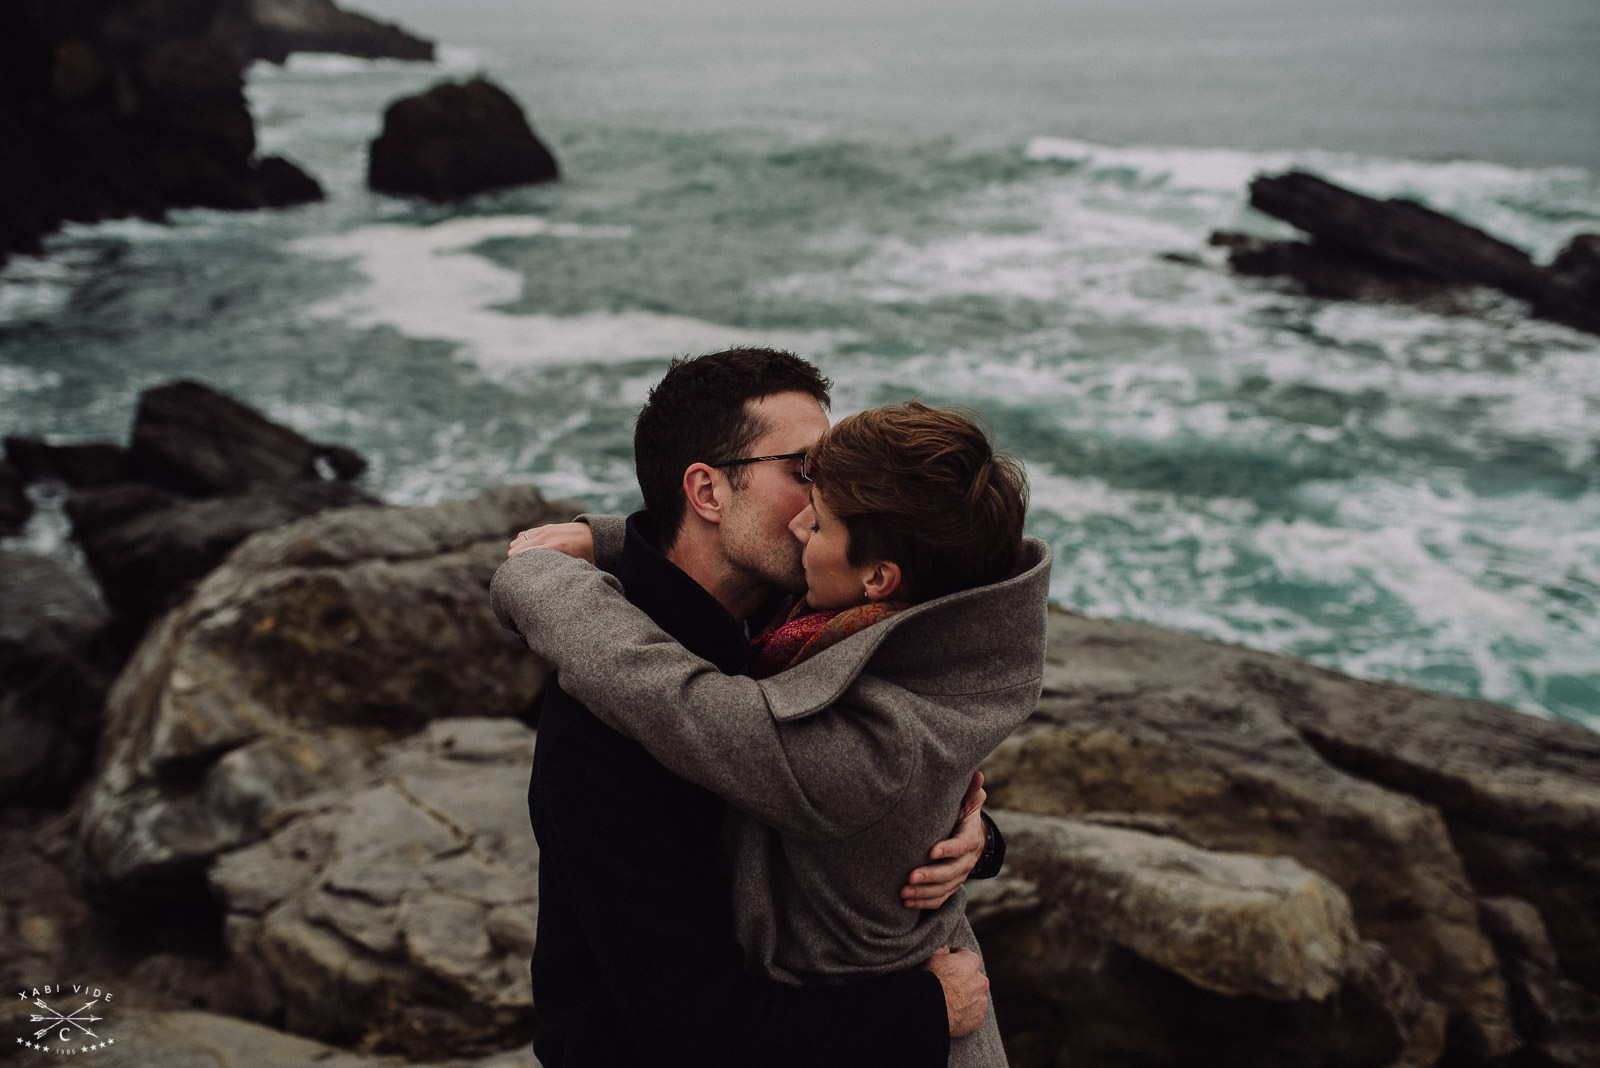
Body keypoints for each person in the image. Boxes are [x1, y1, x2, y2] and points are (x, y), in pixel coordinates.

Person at [494, 392, 1052, 1067]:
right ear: (705, 491)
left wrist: (536, 577)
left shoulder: (859, 731)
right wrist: (614, 539)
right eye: (802, 474)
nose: (801, 523)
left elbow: (672, 694)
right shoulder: (854, 617)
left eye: (822, 513)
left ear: (879, 576)